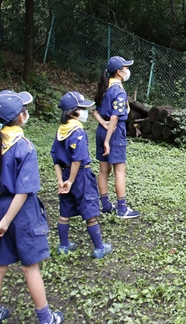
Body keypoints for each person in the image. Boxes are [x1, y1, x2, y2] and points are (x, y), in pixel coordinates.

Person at [0, 90, 64, 324]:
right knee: (30, 268)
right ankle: (46, 318)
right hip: (22, 214)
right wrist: (5, 223)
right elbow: (23, 191)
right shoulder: (25, 147)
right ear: (21, 117)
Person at [51, 91, 113, 259]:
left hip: (64, 174)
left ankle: (64, 246)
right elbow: (78, 160)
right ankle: (99, 247)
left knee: (64, 212)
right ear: (73, 113)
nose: (86, 112)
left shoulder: (60, 131)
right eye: (82, 108)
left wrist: (61, 181)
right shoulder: (78, 132)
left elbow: (55, 158)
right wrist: (71, 180)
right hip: (80, 176)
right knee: (89, 210)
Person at [93, 56, 141, 219]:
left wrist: (103, 125)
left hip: (102, 130)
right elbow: (115, 117)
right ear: (119, 72)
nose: (128, 70)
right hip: (114, 133)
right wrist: (108, 139)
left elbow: (95, 111)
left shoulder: (104, 87)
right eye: (126, 67)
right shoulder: (118, 91)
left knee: (103, 170)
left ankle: (105, 205)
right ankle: (122, 209)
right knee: (119, 171)